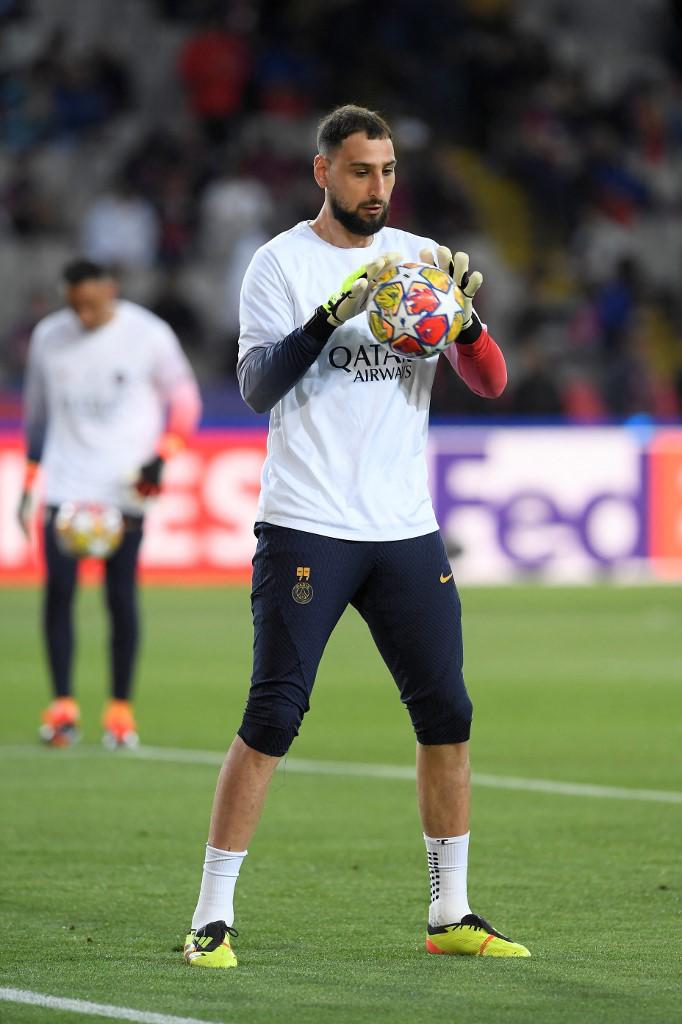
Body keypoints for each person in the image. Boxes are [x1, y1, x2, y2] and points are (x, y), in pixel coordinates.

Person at [183, 104, 530, 968]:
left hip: (405, 529)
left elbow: (489, 382)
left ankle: (450, 915)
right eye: (360, 171)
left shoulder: (419, 262)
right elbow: (258, 389)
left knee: (447, 715)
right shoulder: (278, 265)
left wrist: (467, 321)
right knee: (273, 715)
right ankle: (210, 918)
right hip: (308, 524)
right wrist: (329, 316)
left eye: (387, 172)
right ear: (322, 172)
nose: (378, 188)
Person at [17, 259, 202, 749]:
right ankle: (62, 709)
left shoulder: (149, 334)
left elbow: (185, 400)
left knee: (120, 597)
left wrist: (163, 456)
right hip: (66, 483)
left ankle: (120, 712)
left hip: (124, 486)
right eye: (76, 304)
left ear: (111, 291)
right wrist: (29, 479)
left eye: (92, 303)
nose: (84, 314)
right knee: (59, 593)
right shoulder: (48, 338)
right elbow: (36, 415)